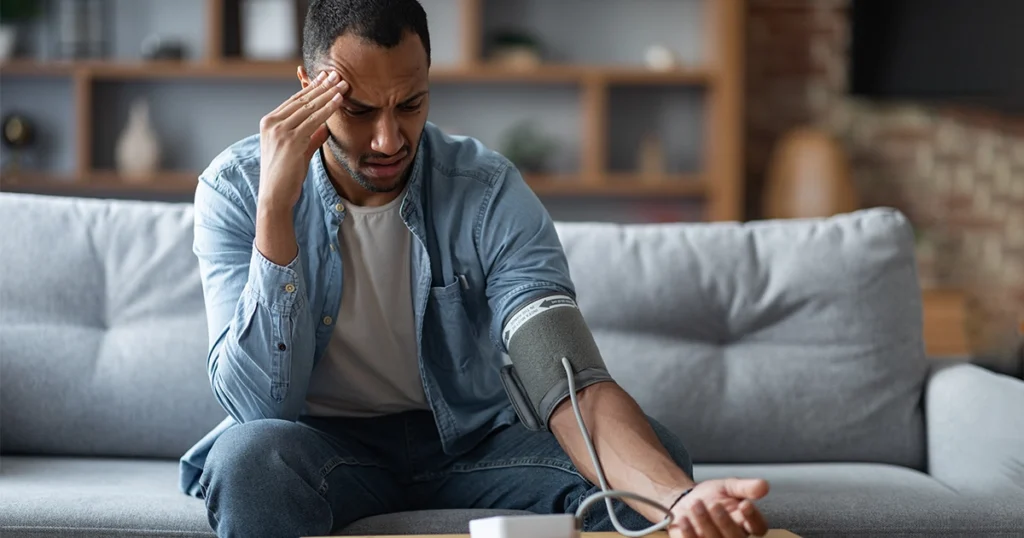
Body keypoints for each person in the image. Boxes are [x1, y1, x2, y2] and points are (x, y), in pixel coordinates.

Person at [179, 0, 771, 537]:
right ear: (308, 88)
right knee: (249, 463)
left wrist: (680, 496)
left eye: (409, 105)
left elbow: (563, 376)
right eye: (357, 110)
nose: (388, 140)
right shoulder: (238, 189)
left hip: (469, 444)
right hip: (322, 446)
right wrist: (275, 213)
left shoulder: (487, 192)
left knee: (652, 464)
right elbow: (260, 409)